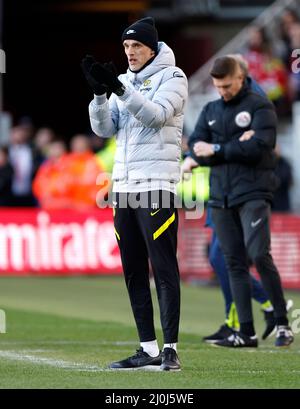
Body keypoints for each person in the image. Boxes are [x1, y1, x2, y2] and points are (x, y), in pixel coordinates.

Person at [82, 17, 188, 370]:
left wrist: (122, 90)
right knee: (132, 271)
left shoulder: (173, 77)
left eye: (137, 46)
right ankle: (148, 348)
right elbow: (104, 129)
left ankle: (170, 349)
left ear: (152, 48)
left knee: (163, 266)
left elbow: (156, 117)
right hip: (124, 188)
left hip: (156, 185)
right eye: (126, 46)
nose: (130, 52)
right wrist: (99, 94)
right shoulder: (124, 80)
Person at [185, 56, 293, 348]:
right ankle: (246, 333)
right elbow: (195, 144)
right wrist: (214, 149)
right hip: (220, 195)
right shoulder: (210, 109)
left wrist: (216, 149)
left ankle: (283, 322)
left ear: (241, 78)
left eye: (227, 85)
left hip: (253, 193)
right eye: (218, 86)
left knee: (259, 254)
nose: (223, 91)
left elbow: (259, 148)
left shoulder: (259, 106)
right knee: (233, 263)